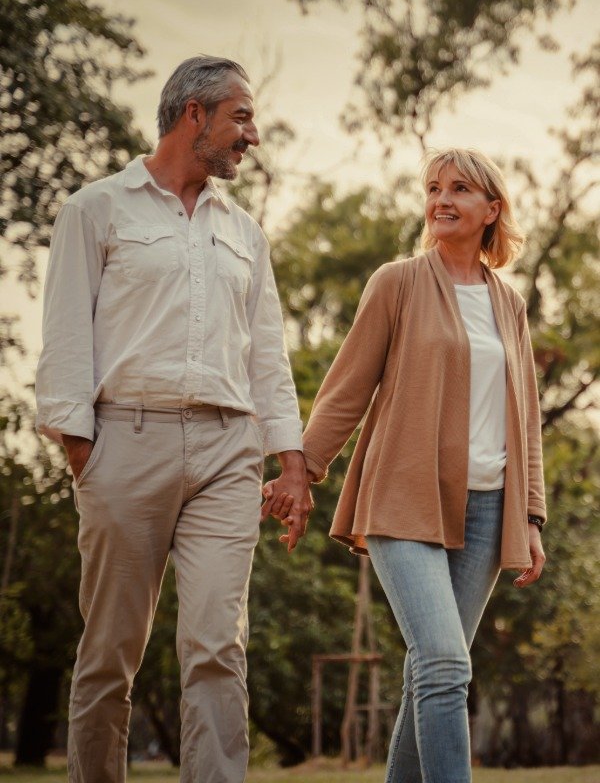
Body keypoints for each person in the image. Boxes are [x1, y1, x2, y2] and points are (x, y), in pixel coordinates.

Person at [35, 55, 312, 783]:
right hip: (125, 443)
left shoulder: (246, 233)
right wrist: (82, 452)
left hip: (228, 452)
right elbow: (66, 338)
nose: (250, 135)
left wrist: (290, 461)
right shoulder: (95, 209)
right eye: (240, 118)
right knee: (110, 653)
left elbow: (268, 354)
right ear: (195, 115)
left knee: (219, 646)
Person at [263, 148, 546, 782]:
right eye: (433, 188)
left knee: (431, 673)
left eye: (460, 189)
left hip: (488, 508)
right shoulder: (397, 282)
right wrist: (300, 469)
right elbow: (346, 388)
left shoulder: (511, 306)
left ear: (492, 210)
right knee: (445, 662)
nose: (442, 199)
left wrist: (529, 516)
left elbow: (523, 415)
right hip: (403, 497)